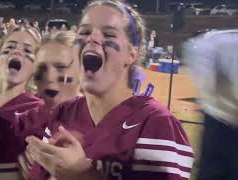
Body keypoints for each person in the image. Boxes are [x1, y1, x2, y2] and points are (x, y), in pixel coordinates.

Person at [24, 0, 193, 179]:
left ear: (131, 54)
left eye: (109, 34)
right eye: (85, 32)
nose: (92, 38)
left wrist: (83, 174)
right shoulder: (63, 113)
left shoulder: (155, 123)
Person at [183, 29, 238, 180]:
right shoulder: (217, 42)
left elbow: (206, 82)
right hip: (221, 119)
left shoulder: (208, 43)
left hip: (219, 118)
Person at [34, 31, 81, 111]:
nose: (49, 77)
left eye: (61, 67)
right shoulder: (23, 117)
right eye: (42, 68)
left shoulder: (100, 119)